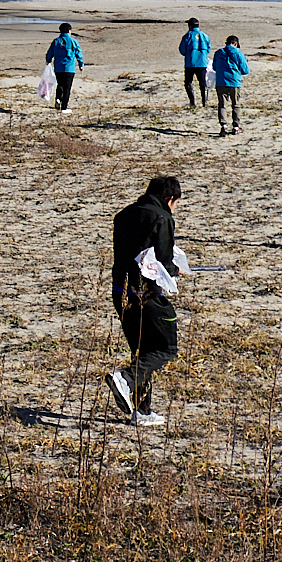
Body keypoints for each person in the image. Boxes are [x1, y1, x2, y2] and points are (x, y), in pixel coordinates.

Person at [107, 175, 188, 429]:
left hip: (120, 290)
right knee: (166, 348)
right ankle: (126, 378)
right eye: (176, 203)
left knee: (141, 351)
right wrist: (176, 270)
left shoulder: (123, 215)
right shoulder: (162, 218)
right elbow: (163, 261)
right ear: (169, 199)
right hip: (147, 294)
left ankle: (142, 410)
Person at [210, 33, 248, 136]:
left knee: (222, 105)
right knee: (235, 104)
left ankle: (223, 126)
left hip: (221, 82)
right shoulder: (238, 53)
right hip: (234, 82)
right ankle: (236, 127)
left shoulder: (218, 53)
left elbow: (214, 67)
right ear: (235, 44)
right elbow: (245, 70)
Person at [46, 24, 84, 111]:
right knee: (67, 87)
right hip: (69, 68)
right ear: (70, 31)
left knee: (60, 84)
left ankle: (58, 98)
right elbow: (78, 53)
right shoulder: (73, 41)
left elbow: (50, 52)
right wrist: (81, 64)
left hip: (58, 68)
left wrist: (48, 61)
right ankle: (64, 107)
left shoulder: (56, 41)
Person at [177, 18, 212, 110]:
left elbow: (182, 50)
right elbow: (208, 49)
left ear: (190, 25)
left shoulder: (187, 36)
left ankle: (192, 102)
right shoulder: (204, 36)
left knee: (188, 83)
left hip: (190, 63)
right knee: (202, 83)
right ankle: (204, 101)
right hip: (202, 62)